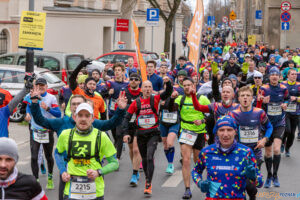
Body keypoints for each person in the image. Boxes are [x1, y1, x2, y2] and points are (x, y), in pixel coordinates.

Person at [29, 92, 127, 200]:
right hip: (68, 174)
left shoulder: (94, 126)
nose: (76, 107)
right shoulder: (63, 124)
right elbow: (41, 121)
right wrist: (34, 103)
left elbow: (110, 124)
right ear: (71, 109)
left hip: (93, 177)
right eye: (74, 104)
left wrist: (121, 110)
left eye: (79, 104)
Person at [56, 103, 119, 200]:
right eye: (80, 115)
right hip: (71, 192)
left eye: (87, 115)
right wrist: (63, 170)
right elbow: (58, 153)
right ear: (74, 117)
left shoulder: (101, 136)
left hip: (95, 193)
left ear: (92, 118)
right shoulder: (65, 135)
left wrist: (98, 172)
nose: (83, 119)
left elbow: (115, 163)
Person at [191, 115, 263, 200]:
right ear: (217, 132)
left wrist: (253, 177)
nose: (225, 134)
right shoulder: (206, 152)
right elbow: (196, 171)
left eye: (229, 130)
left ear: (235, 131)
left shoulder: (246, 152)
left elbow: (260, 183)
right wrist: (200, 183)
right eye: (221, 130)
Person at [122, 76, 172, 195]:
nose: (148, 89)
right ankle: (146, 179)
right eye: (145, 87)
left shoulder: (155, 98)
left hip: (153, 133)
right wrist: (125, 133)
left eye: (150, 87)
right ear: (141, 89)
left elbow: (168, 92)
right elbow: (126, 118)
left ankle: (148, 183)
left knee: (150, 157)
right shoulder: (136, 102)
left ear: (152, 88)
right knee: (144, 159)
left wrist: (168, 82)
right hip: (140, 134)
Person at [229, 86, 273, 200]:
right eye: (242, 95)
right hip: (238, 153)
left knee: (250, 184)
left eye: (248, 96)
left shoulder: (259, 113)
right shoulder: (233, 114)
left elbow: (269, 127)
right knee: (239, 183)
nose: (245, 98)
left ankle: (252, 195)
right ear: (238, 98)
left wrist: (264, 139)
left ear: (252, 98)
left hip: (255, 153)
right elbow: (227, 131)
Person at [175, 77, 210, 199]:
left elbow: (212, 115)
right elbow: (171, 107)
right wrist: (171, 98)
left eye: (189, 85)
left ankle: (201, 180)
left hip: (199, 132)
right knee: (185, 160)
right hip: (186, 131)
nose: (187, 87)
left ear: (194, 85)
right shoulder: (181, 98)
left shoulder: (202, 98)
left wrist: (202, 120)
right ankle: (187, 189)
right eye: (184, 85)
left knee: (198, 160)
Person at [23, 78, 61, 189]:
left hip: (47, 131)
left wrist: (48, 108)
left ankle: (50, 177)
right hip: (35, 130)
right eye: (38, 85)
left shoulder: (51, 98)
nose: (40, 87)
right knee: (34, 157)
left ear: (46, 86)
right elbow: (27, 107)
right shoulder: (30, 96)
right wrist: (27, 115)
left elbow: (58, 114)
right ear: (35, 86)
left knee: (48, 156)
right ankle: (36, 180)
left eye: (42, 85)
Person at [258, 67, 290, 188]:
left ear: (280, 77)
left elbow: (287, 99)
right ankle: (269, 175)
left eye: (277, 75)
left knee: (276, 149)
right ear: (269, 76)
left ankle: (275, 175)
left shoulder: (284, 89)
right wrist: (263, 102)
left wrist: (285, 104)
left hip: (279, 123)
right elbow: (258, 103)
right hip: (266, 124)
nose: (274, 76)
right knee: (267, 152)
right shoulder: (263, 89)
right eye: (272, 75)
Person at [121, 73, 142, 186]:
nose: (133, 81)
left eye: (136, 79)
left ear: (139, 82)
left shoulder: (142, 93)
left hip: (139, 125)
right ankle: (135, 167)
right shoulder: (124, 92)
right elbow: (118, 107)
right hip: (128, 124)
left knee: (136, 150)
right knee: (131, 149)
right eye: (131, 79)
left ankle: (134, 173)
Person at [281, 69, 300, 157]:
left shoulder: (299, 85)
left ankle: (287, 148)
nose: (294, 76)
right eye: (292, 74)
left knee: (292, 134)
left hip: (296, 112)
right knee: (287, 130)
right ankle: (282, 141)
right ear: (288, 76)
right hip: (285, 111)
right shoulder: (283, 84)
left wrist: (296, 99)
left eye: (295, 74)